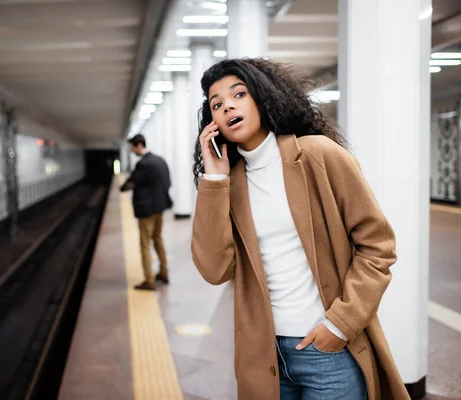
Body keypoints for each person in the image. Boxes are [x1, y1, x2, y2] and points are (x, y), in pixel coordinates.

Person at [191, 58, 409, 400]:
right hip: (263, 357)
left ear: (262, 97)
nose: (228, 106)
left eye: (239, 94)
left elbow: (377, 246)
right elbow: (215, 270)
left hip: (327, 352)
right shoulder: (228, 185)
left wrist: (340, 325)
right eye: (217, 104)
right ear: (213, 122)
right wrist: (214, 178)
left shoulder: (318, 156)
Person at [121, 134, 172, 291]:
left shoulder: (143, 164)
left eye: (132, 148)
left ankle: (148, 280)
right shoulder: (160, 160)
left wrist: (123, 187)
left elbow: (130, 183)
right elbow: (168, 182)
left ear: (139, 145)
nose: (131, 151)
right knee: (158, 239)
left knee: (144, 244)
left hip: (146, 209)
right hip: (160, 207)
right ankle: (163, 273)